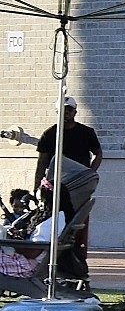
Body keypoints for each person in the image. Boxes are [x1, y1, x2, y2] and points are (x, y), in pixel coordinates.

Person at [5, 98, 103, 253]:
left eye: (69, 110)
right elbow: (42, 163)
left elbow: (98, 153)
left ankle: (78, 255)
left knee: (79, 221)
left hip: (79, 185)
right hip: (55, 188)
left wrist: (91, 172)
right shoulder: (50, 134)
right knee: (53, 219)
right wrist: (36, 188)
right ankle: (54, 254)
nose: (66, 113)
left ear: (75, 112)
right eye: (62, 110)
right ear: (57, 112)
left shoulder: (86, 133)